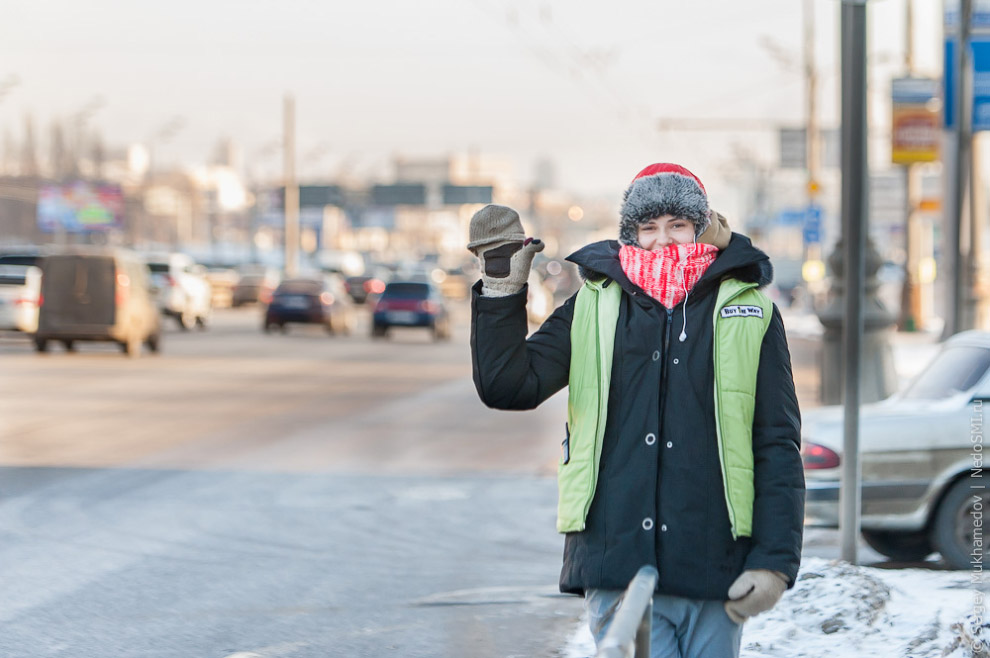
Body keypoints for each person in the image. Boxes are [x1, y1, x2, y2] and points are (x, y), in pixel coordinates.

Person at [468, 163, 804, 658]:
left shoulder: (749, 310)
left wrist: (774, 562)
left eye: (676, 225)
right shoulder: (593, 305)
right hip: (618, 560)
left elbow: (776, 442)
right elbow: (508, 385)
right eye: (648, 227)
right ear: (631, 234)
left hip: (715, 565)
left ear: (702, 227)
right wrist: (501, 290)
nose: (662, 240)